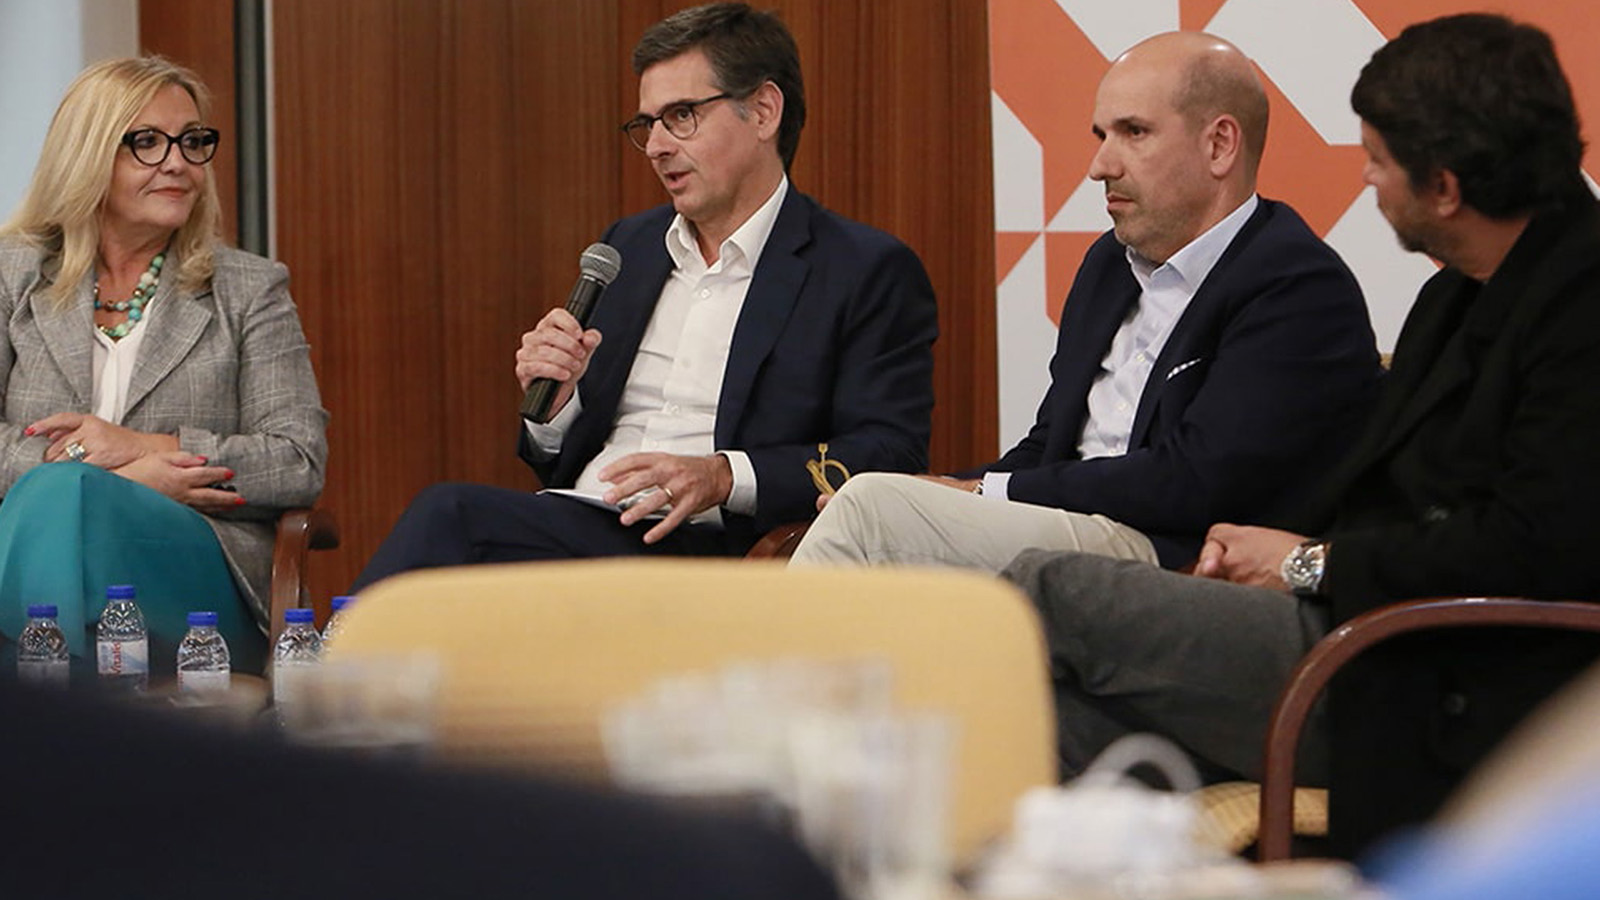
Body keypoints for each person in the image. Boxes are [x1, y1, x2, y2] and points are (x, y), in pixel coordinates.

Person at [1000, 13, 1600, 856]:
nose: (1365, 179)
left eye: (1378, 159)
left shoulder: (1582, 305)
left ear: (1444, 187)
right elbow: (1375, 490)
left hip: (1449, 679)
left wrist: (1308, 564)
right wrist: (1260, 554)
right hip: (1364, 635)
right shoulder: (1454, 296)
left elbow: (1537, 547)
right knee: (1043, 724)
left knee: (1044, 586)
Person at [350, 2, 937, 589]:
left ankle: (329, 647)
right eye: (647, 124)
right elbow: (557, 459)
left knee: (452, 516)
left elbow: (889, 453)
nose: (656, 145)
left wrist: (723, 476)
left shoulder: (862, 269)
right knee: (456, 564)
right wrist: (558, 406)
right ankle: (339, 647)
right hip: (587, 521)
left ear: (763, 111)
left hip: (717, 548)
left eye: (681, 116)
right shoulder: (629, 247)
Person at [788, 31, 1378, 573]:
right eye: (1101, 136)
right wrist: (945, 488)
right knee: (876, 500)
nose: (1100, 166)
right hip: (1075, 532)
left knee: (870, 512)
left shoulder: (1297, 286)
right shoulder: (1107, 266)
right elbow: (1050, 447)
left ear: (1219, 145)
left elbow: (1196, 479)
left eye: (1133, 133)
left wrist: (978, 494)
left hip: (1175, 556)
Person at [0, 57, 328, 672]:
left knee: (62, 496)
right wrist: (112, 477)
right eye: (147, 142)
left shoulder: (249, 288)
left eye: (192, 141)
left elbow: (296, 460)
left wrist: (144, 448)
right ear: (87, 154)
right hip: (28, 550)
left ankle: (39, 711)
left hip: (191, 573)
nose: (178, 162)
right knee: (59, 495)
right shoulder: (11, 275)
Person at [0, 679, 840, 900]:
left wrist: (151, 456)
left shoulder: (244, 301)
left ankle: (334, 719)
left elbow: (291, 457)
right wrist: (561, 405)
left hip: (199, 523)